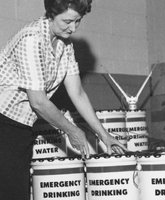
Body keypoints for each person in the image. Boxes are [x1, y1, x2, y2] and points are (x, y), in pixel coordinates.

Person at [0, 0, 127, 199]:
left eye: (78, 21)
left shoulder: (64, 45)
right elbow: (39, 102)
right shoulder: (31, 39)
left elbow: (77, 93)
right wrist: (72, 130)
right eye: (67, 21)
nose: (73, 28)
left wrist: (104, 135)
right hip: (4, 122)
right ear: (51, 14)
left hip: (21, 126)